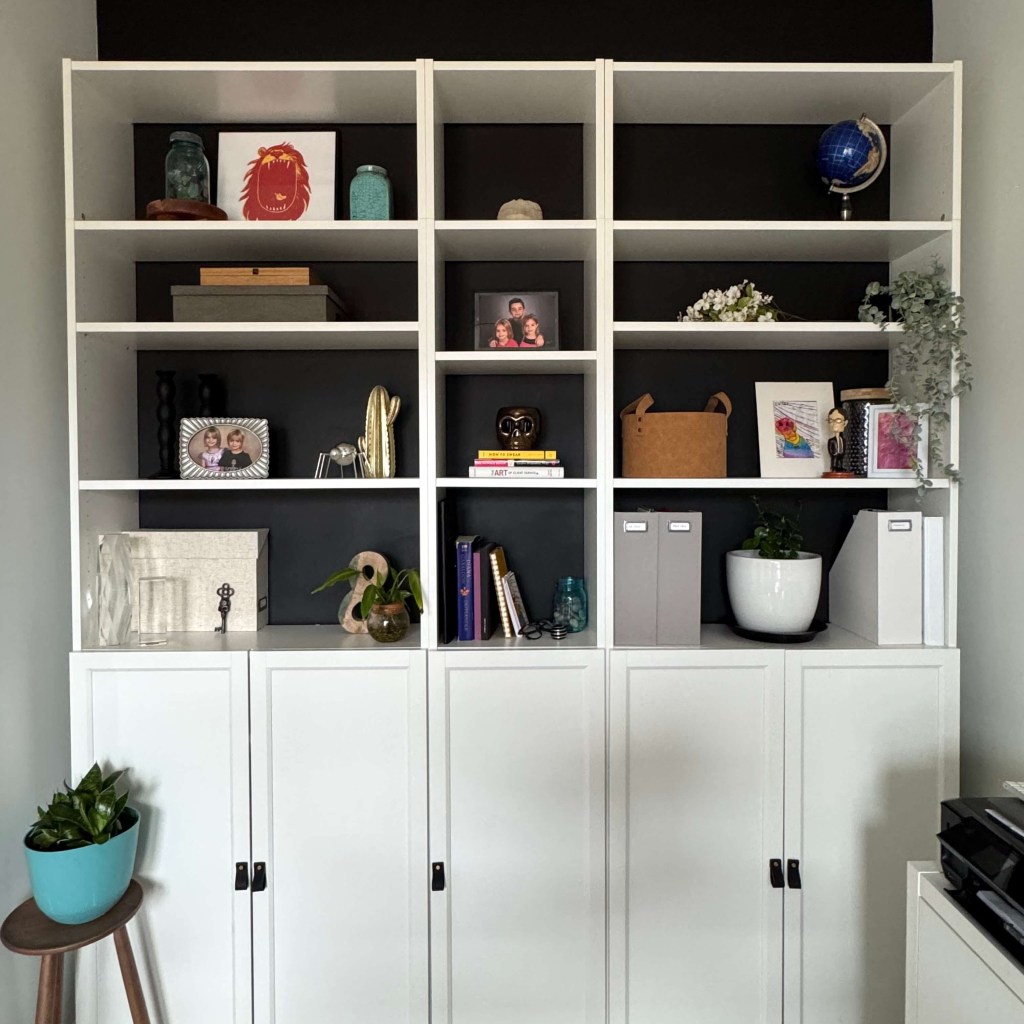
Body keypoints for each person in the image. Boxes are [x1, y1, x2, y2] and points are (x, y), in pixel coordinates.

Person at [826, 407, 848, 472]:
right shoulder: (831, 440)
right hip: (834, 454)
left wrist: (842, 453)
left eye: (838, 420)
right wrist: (834, 453)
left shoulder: (843, 440)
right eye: (831, 421)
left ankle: (840, 467)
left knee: (841, 460)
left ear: (845, 423)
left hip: (841, 453)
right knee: (834, 460)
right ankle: (833, 467)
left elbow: (844, 447)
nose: (834, 424)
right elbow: (830, 449)